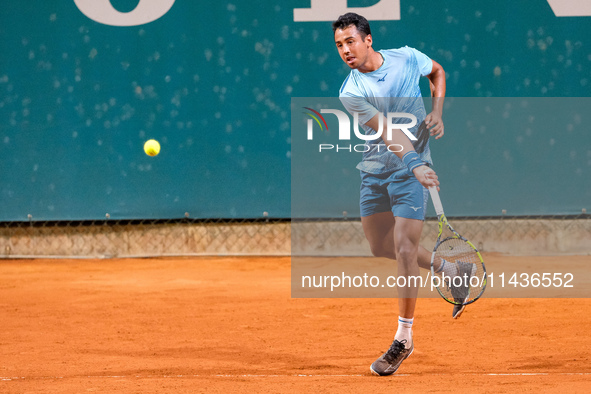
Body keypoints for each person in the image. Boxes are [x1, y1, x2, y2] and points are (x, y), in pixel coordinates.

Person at [332, 12, 465, 376]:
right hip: (376, 170)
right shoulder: (351, 91)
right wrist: (412, 162)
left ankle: (403, 339)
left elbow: (437, 72)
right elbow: (387, 130)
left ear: (368, 39)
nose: (346, 50)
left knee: (405, 245)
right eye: (339, 45)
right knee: (381, 246)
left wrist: (437, 111)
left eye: (351, 42)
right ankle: (448, 268)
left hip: (411, 169)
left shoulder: (406, 57)